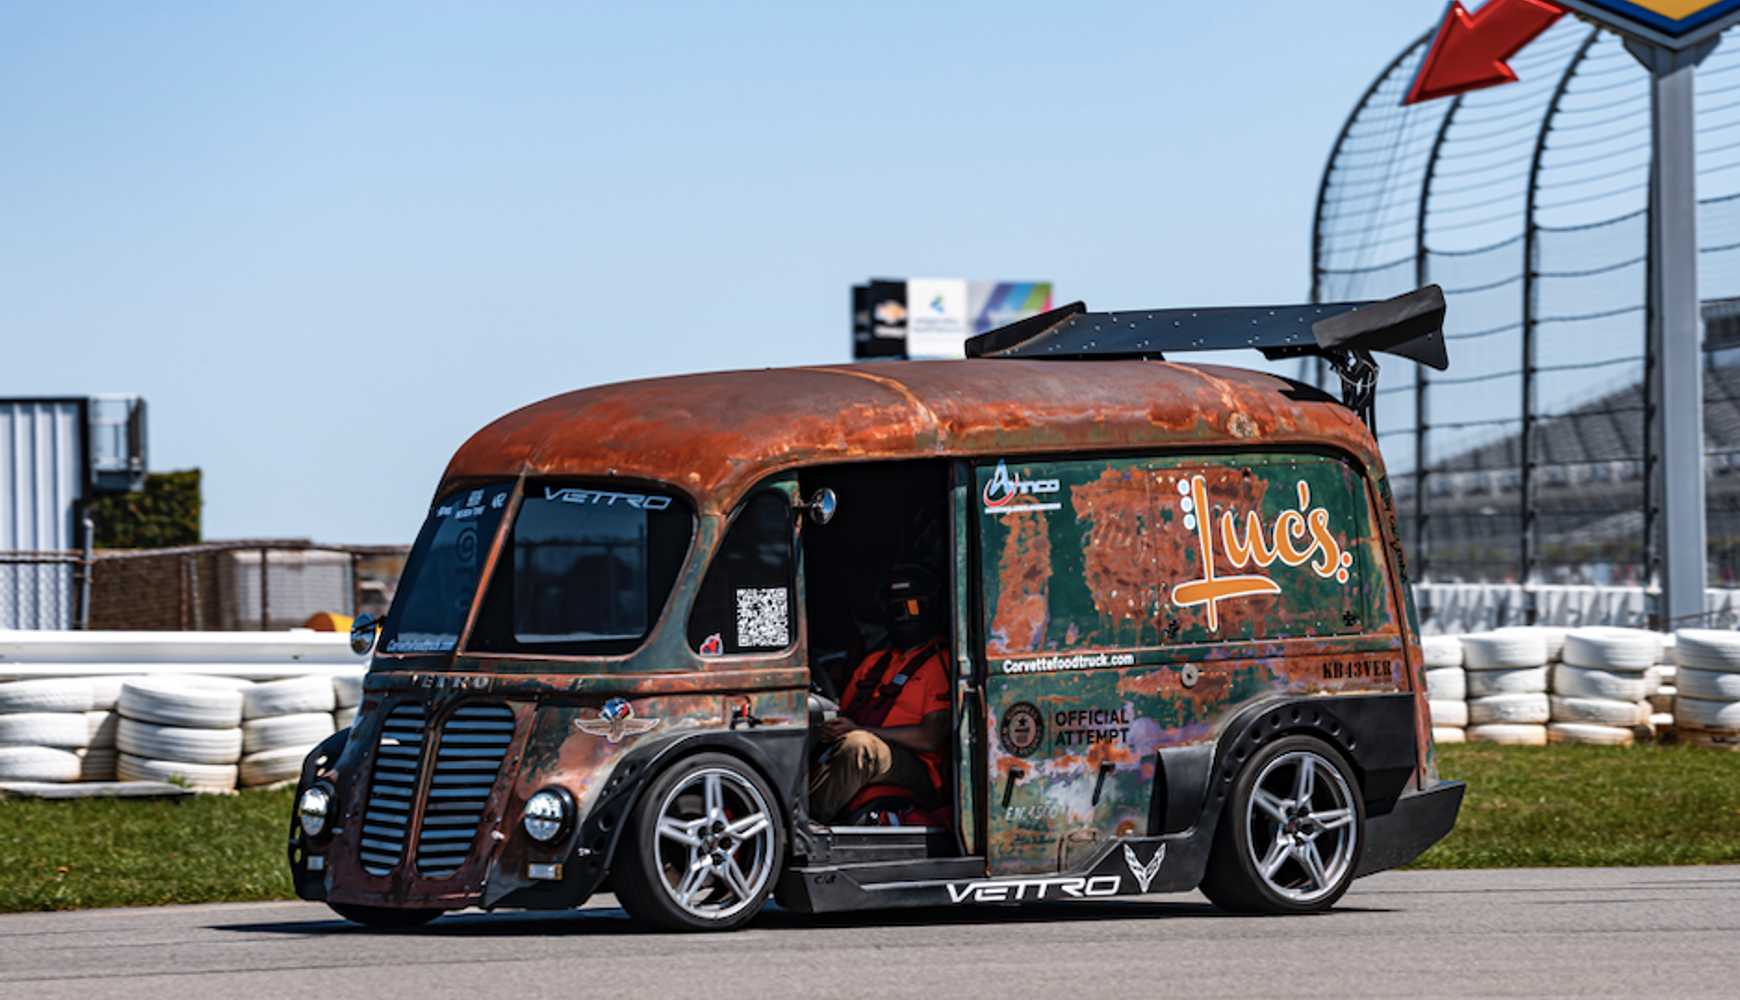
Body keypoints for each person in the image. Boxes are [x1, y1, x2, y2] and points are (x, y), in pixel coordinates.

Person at [809, 563, 951, 822]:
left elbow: (931, 737)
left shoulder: (941, 664)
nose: (905, 617)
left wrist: (863, 732)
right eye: (897, 609)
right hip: (866, 742)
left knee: (860, 746)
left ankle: (806, 825)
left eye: (913, 608)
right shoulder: (873, 662)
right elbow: (845, 712)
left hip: (917, 766)